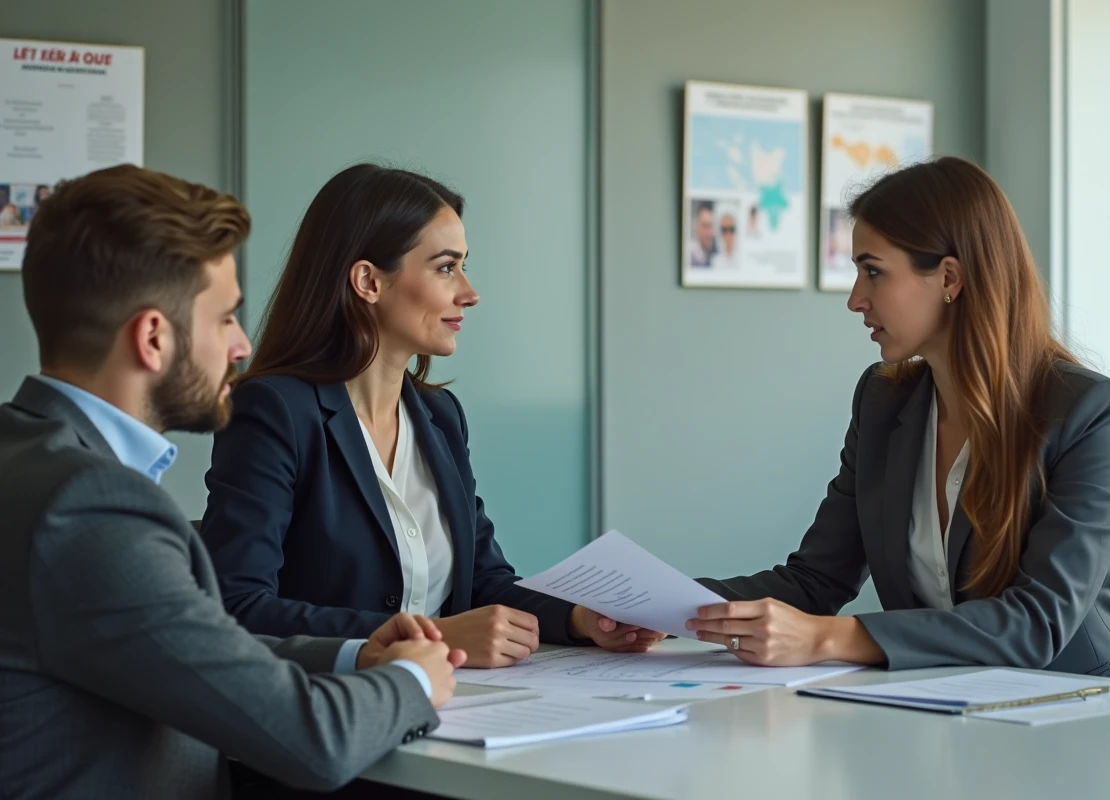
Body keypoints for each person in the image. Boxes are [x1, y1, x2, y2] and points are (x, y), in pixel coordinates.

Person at [0, 164, 468, 799]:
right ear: (153, 337)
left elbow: (188, 653)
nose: (243, 346)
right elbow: (313, 741)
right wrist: (412, 681)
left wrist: (355, 655)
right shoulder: (91, 508)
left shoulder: (23, 456)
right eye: (223, 319)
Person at [687, 156, 1110, 680]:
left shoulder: (1086, 411)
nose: (856, 300)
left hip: (1077, 709)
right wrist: (651, 607)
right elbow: (815, 581)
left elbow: (1037, 623)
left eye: (873, 271)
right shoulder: (883, 401)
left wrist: (828, 637)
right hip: (935, 706)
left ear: (949, 277)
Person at [200, 164, 663, 668]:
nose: (469, 291)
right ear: (368, 281)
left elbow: (485, 583)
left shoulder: (440, 417)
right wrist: (433, 637)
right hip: (328, 715)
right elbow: (238, 607)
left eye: (464, 266)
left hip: (452, 706)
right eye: (446, 267)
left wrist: (583, 618)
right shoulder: (275, 410)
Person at [688, 200, 716, 266]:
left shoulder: (716, 254)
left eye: (711, 226)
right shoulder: (688, 254)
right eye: (705, 226)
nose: (709, 232)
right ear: (695, 225)